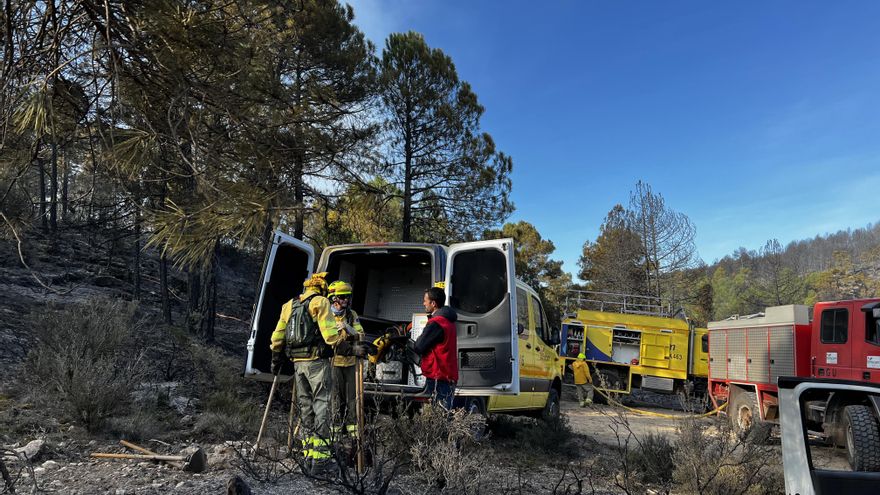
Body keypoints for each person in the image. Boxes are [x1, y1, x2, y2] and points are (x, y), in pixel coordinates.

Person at [270, 272, 369, 473]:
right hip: (317, 362)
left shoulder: (289, 304)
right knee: (322, 408)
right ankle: (321, 462)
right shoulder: (320, 302)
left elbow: (278, 335)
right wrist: (350, 349)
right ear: (325, 292)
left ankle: (308, 457)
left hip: (299, 364)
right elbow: (331, 337)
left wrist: (275, 358)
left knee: (305, 409)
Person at [410, 287, 458, 411]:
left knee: (436, 416)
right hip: (447, 375)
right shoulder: (449, 321)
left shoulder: (437, 323)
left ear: (433, 303)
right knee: (443, 415)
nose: (423, 303)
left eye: (425, 300)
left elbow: (419, 346)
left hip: (438, 376)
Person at [327, 280, 365, 438]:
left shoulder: (351, 314)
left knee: (352, 399)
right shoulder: (326, 315)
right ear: (334, 298)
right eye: (343, 297)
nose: (346, 300)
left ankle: (353, 432)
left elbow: (361, 335)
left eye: (348, 297)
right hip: (333, 363)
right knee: (335, 398)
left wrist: (348, 328)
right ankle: (335, 430)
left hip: (350, 363)